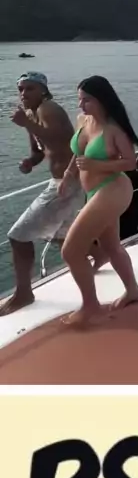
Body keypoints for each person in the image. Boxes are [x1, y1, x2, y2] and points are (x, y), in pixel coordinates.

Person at [0, 72, 86, 316]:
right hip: (62, 182)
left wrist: (27, 124)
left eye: (29, 88)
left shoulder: (50, 109)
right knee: (61, 237)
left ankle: (24, 294)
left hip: (68, 183)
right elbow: (41, 150)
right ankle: (99, 259)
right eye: (20, 89)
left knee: (18, 236)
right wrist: (30, 161)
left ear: (43, 90)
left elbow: (63, 141)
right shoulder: (30, 114)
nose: (23, 93)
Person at [60, 75, 138, 326]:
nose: (81, 105)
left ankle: (90, 307)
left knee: (71, 251)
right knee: (111, 247)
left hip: (113, 189)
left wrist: (97, 165)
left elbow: (131, 163)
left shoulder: (113, 129)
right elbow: (78, 153)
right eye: (80, 99)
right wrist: (68, 175)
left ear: (102, 100)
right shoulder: (83, 121)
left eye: (87, 100)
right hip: (94, 191)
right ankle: (133, 290)